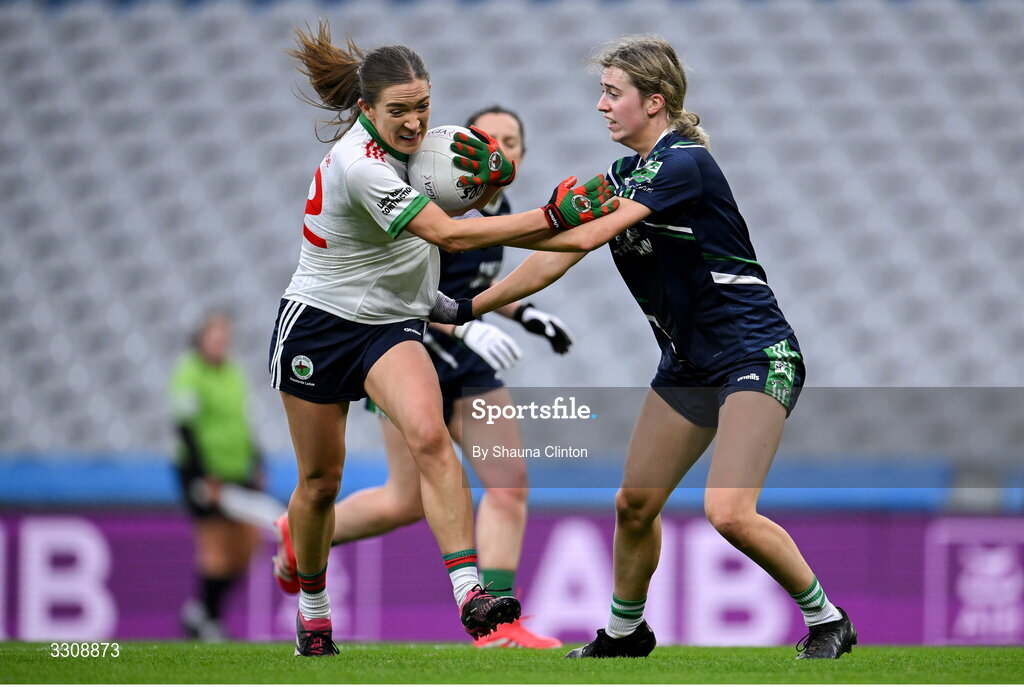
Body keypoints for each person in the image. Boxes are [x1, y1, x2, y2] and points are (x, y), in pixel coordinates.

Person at [447, 35, 857, 660]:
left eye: (613, 93)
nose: (601, 105)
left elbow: (584, 237)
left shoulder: (683, 164)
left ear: (655, 102)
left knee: (728, 511)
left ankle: (827, 620)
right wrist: (464, 304)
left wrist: (459, 232)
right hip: (688, 364)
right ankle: (624, 633)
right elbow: (548, 240)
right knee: (634, 503)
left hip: (755, 354)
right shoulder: (623, 173)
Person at [269, 22, 616, 656]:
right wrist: (554, 217)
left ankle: (471, 596)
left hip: (394, 324)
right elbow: (451, 236)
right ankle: (313, 609)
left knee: (431, 435)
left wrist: (589, 226)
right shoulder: (359, 163)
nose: (413, 121)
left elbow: (486, 228)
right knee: (321, 482)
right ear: (366, 108)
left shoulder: (432, 148)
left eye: (422, 105)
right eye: (398, 109)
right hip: (320, 323)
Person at [172, 312, 284, 641]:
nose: (222, 343)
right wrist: (202, 476)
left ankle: (202, 611)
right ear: (201, 339)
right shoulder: (189, 373)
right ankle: (208, 618)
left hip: (238, 471)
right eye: (216, 337)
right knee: (216, 546)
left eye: (225, 337)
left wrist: (256, 460)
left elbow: (243, 422)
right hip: (206, 473)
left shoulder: (233, 372)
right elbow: (185, 428)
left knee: (248, 545)